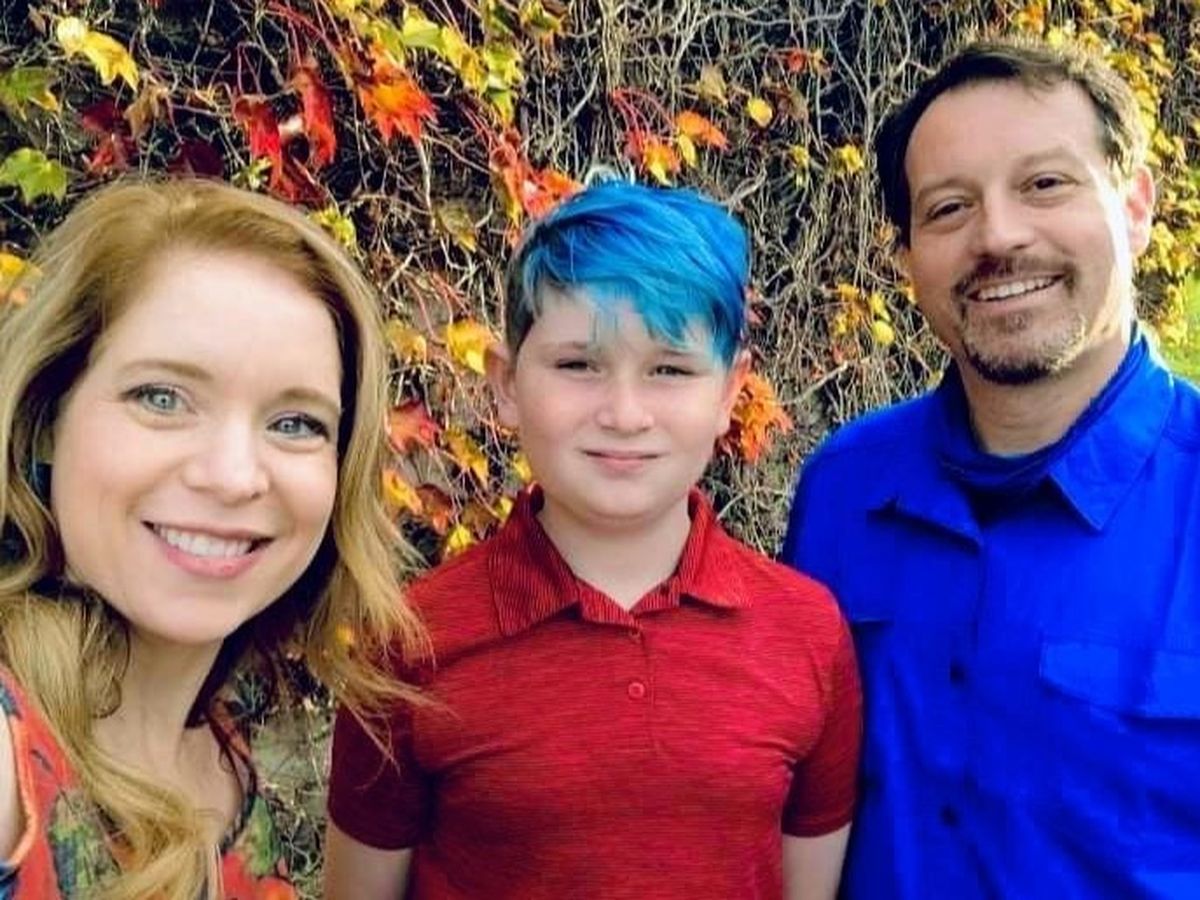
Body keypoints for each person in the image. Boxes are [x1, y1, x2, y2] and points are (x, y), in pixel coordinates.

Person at [325, 177, 862, 900]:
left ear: (730, 394)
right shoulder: (412, 640)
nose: (624, 414)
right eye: (578, 365)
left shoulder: (806, 633)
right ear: (506, 384)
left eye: (669, 369)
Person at [782, 35, 1200, 898]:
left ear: (1135, 208)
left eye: (1045, 184)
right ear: (906, 260)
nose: (998, 236)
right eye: (948, 208)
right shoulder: (842, 491)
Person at [0, 178, 424, 899]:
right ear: (46, 419)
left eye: (295, 423)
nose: (232, 478)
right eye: (161, 397)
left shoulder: (221, 756)